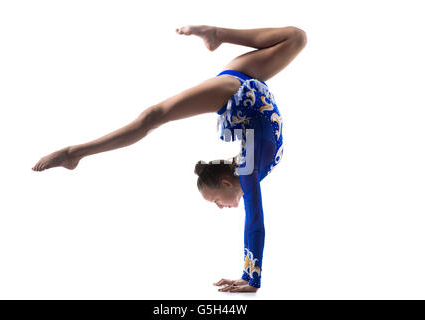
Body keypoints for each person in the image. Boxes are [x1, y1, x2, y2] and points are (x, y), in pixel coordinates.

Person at [31, 25, 307, 292]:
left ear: (225, 183)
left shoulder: (247, 168)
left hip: (239, 89)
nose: (220, 207)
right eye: (216, 203)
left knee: (153, 117)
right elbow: (254, 220)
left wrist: (252, 278)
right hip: (244, 85)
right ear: (225, 182)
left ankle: (74, 153)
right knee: (297, 37)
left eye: (214, 201)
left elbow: (254, 220)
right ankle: (218, 34)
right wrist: (249, 277)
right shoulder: (246, 167)